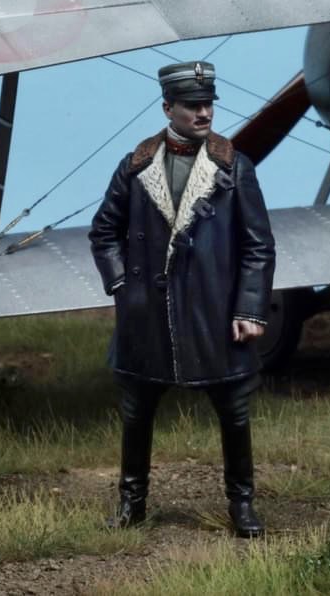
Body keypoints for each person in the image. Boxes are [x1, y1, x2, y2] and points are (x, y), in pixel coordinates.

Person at [88, 60, 276, 538]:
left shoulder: (234, 168)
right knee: (137, 412)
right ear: (168, 107)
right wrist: (123, 287)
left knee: (234, 413)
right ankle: (132, 504)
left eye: (208, 104)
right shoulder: (135, 168)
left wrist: (249, 308)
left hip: (214, 313)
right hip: (147, 315)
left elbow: (258, 246)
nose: (204, 113)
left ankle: (242, 504)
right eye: (193, 105)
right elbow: (104, 232)